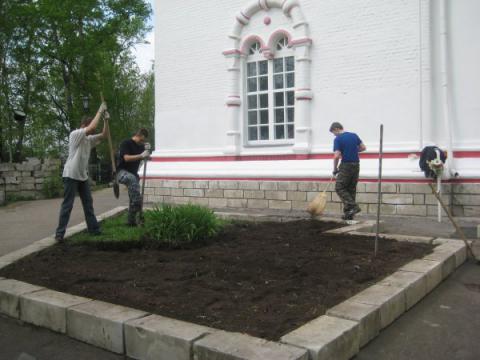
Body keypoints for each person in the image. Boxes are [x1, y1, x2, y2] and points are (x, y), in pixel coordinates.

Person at [55, 102, 108, 242]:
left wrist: (106, 120)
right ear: (84, 126)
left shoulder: (88, 140)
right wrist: (100, 110)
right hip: (71, 174)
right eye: (89, 129)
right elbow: (93, 127)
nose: (91, 132)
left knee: (88, 203)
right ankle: (59, 234)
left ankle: (94, 230)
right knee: (68, 205)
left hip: (82, 176)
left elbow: (103, 135)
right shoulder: (75, 134)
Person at [330, 122, 366, 220]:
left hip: (346, 165)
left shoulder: (338, 139)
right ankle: (349, 214)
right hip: (356, 165)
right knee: (351, 189)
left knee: (339, 187)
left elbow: (336, 155)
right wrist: (353, 150)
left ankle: (353, 206)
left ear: (337, 129)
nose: (334, 135)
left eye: (334, 132)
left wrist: (335, 169)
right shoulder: (354, 135)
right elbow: (363, 148)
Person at [117, 128, 150, 226]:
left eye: (144, 141)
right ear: (138, 134)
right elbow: (126, 158)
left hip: (133, 175)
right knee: (132, 180)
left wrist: (148, 150)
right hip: (121, 173)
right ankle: (137, 204)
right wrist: (141, 155)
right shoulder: (126, 143)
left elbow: (147, 156)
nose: (142, 142)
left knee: (133, 197)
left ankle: (131, 222)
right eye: (142, 140)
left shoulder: (140, 147)